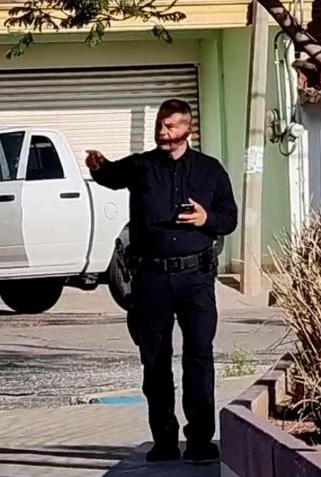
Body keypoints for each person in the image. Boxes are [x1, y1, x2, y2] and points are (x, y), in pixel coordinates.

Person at [85, 99, 238, 464]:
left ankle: (200, 440)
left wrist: (205, 218)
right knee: (155, 361)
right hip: (151, 278)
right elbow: (109, 176)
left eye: (170, 126)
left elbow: (229, 218)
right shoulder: (141, 166)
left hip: (195, 278)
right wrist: (98, 165)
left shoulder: (210, 170)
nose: (162, 133)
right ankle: (164, 440)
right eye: (160, 125)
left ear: (188, 129)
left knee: (199, 356)